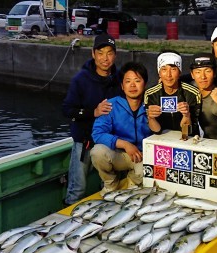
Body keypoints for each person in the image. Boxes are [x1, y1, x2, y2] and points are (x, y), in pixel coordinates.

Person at [62, 33, 121, 206]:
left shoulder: (120, 79)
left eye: (109, 53)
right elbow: (67, 109)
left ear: (115, 55)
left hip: (110, 142)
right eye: (100, 53)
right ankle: (68, 218)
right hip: (85, 141)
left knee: (110, 187)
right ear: (93, 54)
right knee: (77, 187)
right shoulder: (81, 80)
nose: (105, 58)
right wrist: (92, 112)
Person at [90, 62, 151, 195]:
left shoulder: (152, 105)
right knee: (97, 152)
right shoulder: (111, 105)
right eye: (128, 81)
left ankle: (132, 181)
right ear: (122, 86)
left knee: (146, 174)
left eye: (137, 80)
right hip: (119, 154)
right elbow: (97, 133)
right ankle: (111, 183)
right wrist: (124, 144)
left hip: (142, 156)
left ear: (145, 84)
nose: (133, 85)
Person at [144, 51, 201, 137]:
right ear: (159, 73)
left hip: (187, 139)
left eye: (173, 69)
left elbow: (188, 132)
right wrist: (151, 118)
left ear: (180, 72)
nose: (168, 75)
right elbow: (156, 131)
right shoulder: (150, 94)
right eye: (164, 69)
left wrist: (186, 115)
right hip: (161, 139)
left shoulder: (193, 93)